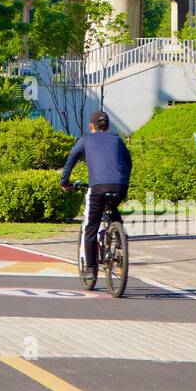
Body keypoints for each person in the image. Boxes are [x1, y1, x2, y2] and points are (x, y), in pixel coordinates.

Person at [61, 110, 133, 287]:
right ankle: (119, 235)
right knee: (112, 208)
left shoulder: (85, 139)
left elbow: (71, 159)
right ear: (107, 126)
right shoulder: (117, 139)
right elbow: (128, 161)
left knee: (90, 227)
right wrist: (123, 180)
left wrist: (64, 181)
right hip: (120, 185)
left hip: (98, 187)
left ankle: (91, 269)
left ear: (90, 126)